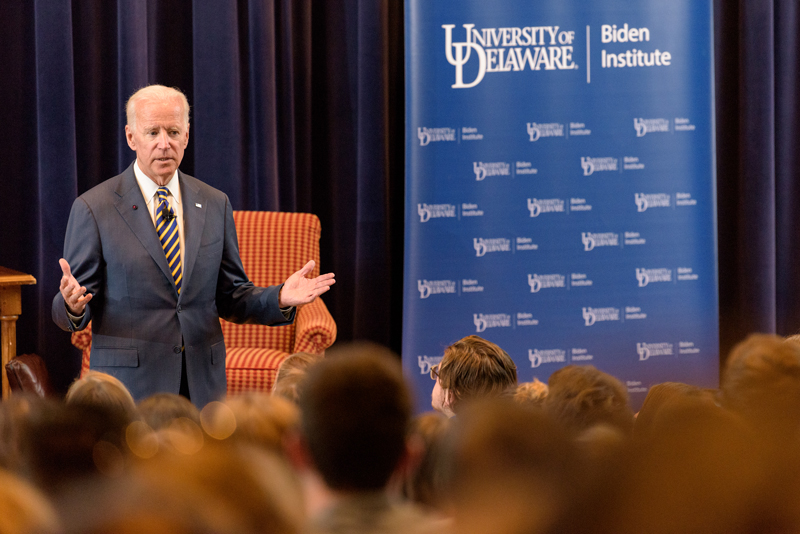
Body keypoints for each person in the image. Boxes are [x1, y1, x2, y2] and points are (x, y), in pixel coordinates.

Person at [52, 85, 334, 407]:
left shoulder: (215, 203)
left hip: (202, 385)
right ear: (132, 138)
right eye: (153, 132)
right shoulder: (94, 207)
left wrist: (280, 296)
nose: (164, 143)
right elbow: (69, 308)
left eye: (173, 131)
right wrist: (72, 305)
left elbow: (232, 297)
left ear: (186, 135)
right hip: (130, 388)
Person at [430, 335, 517, 417]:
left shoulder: (454, 432)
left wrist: (453, 418)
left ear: (452, 392)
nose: (434, 380)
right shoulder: (521, 428)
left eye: (438, 376)